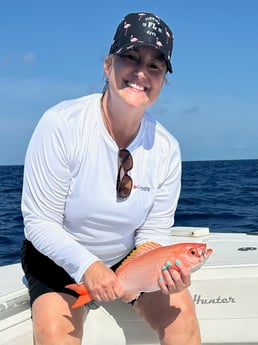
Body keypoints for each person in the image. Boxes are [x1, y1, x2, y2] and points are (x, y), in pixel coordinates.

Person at [20, 12, 201, 345]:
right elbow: (39, 222)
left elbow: (152, 232)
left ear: (163, 80)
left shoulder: (167, 149)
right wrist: (88, 266)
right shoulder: (62, 125)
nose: (141, 73)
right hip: (56, 264)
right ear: (108, 66)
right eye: (131, 58)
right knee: (54, 337)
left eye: (155, 66)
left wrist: (159, 273)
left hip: (128, 262)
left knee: (184, 322)